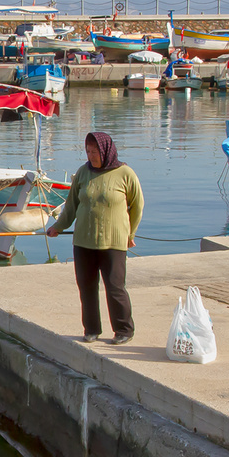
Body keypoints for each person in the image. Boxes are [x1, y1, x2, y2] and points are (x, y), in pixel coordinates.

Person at [47, 132, 144, 344]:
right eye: (88, 151)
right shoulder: (83, 173)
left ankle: (123, 330)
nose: (91, 156)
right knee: (87, 287)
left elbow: (137, 206)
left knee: (115, 287)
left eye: (95, 152)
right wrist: (58, 227)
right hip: (84, 241)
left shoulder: (125, 173)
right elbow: (71, 206)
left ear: (106, 150)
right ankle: (91, 329)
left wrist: (130, 234)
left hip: (113, 242)